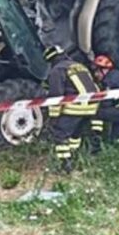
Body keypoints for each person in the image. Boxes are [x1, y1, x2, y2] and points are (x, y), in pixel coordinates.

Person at [44, 45, 104, 173]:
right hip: (92, 106)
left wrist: (54, 118)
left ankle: (65, 165)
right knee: (75, 134)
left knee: (59, 135)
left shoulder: (58, 70)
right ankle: (75, 157)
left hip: (75, 107)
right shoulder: (79, 66)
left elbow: (56, 96)